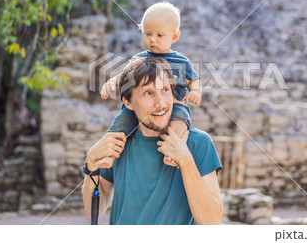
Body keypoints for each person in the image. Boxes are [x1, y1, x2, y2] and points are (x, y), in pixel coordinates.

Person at [82, 57, 223, 225]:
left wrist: (185, 160)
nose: (160, 103)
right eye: (148, 93)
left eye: (165, 90)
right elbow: (94, 211)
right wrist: (91, 164)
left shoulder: (197, 143)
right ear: (128, 102)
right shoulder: (119, 143)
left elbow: (211, 221)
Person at [99, 1, 202, 168]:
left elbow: (194, 80)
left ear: (174, 37)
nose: (152, 39)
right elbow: (124, 76)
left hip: (174, 106)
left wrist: (195, 92)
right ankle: (109, 156)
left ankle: (173, 153)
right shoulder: (139, 59)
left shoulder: (181, 61)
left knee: (180, 123)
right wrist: (112, 82)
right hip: (141, 107)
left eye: (159, 35)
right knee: (121, 124)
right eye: (148, 34)